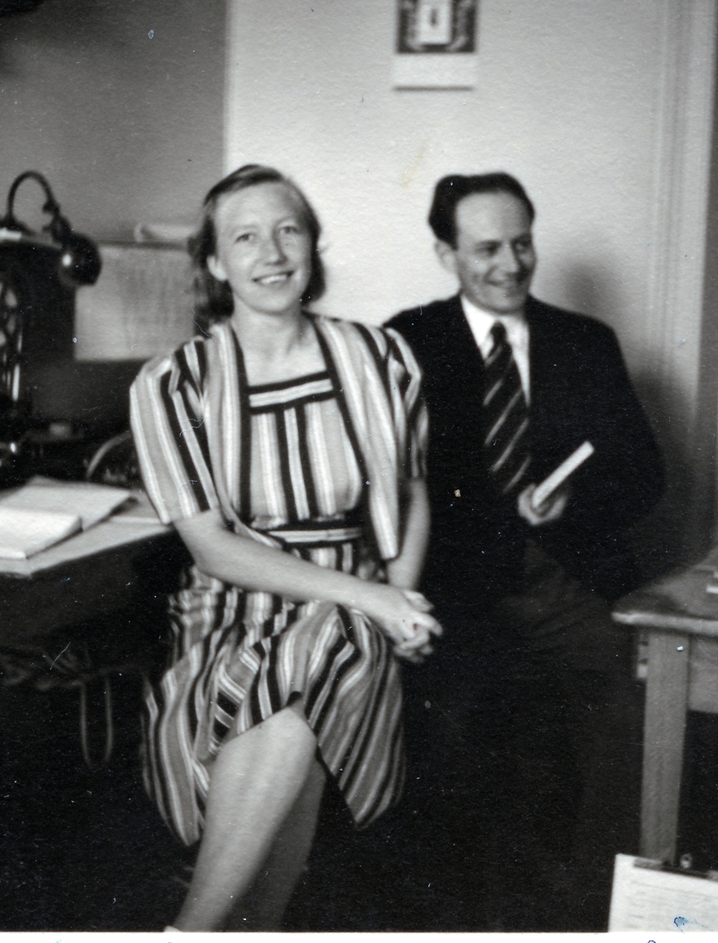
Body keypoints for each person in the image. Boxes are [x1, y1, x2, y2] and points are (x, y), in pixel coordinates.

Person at [130, 164, 439, 932]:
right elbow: (213, 549)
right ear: (214, 262)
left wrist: (401, 603)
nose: (271, 253)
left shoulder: (383, 357)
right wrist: (379, 598)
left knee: (325, 648)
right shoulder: (172, 384)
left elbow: (410, 496)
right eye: (245, 237)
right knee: (292, 703)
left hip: (359, 622)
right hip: (230, 613)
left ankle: (191, 928)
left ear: (312, 245)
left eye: (288, 230)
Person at [385, 171, 665, 930]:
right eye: (487, 249)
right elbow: (385, 483)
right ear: (446, 254)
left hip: (566, 581)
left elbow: (647, 475)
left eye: (522, 243)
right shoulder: (406, 342)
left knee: (630, 702)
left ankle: (598, 908)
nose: (510, 265)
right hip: (455, 593)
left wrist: (577, 503)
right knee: (453, 736)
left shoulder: (586, 343)